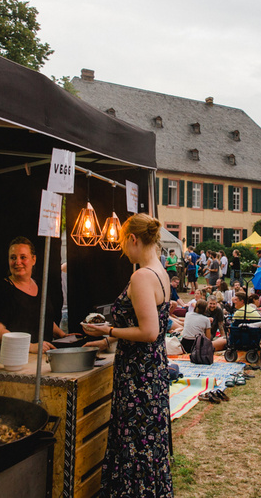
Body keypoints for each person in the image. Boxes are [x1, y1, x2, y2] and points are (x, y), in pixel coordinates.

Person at [82, 213, 173, 497]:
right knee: (147, 446)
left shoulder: (142, 276)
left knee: (136, 445)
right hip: (150, 372)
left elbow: (149, 332)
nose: (122, 249)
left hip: (139, 378)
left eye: (124, 242)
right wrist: (107, 339)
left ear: (134, 239)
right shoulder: (160, 270)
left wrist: (108, 331)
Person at [0, 236, 66, 354]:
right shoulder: (1, 289)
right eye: (13, 258)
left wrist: (62, 335)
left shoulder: (40, 284)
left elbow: (42, 317)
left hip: (42, 359)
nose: (17, 262)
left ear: (33, 259)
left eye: (23, 257)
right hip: (13, 359)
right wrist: (30, 347)